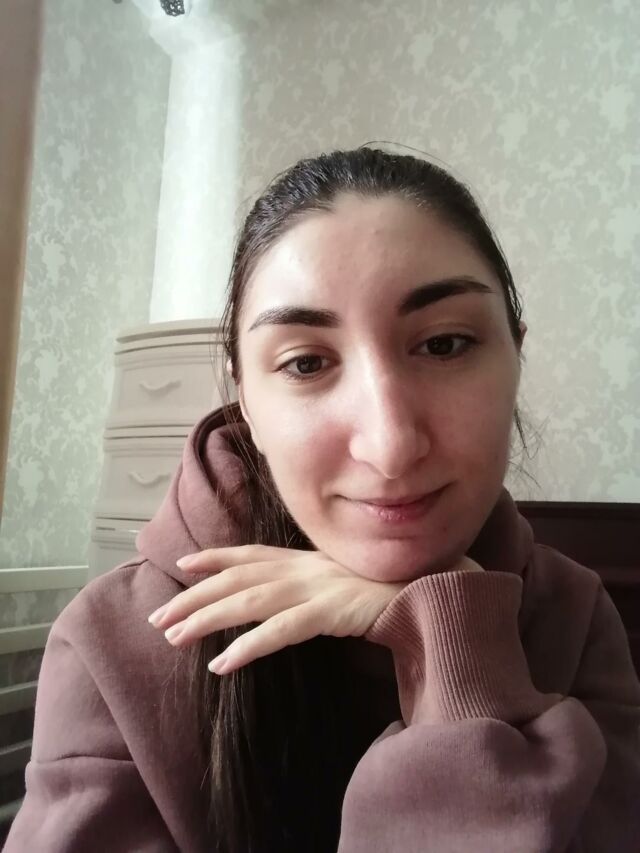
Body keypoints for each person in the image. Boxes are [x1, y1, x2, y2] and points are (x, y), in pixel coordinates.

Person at [4, 146, 639, 853]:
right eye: (305, 362)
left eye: (445, 344)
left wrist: (456, 644)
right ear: (245, 397)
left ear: (516, 355)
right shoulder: (115, 641)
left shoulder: (574, 613)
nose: (389, 446)